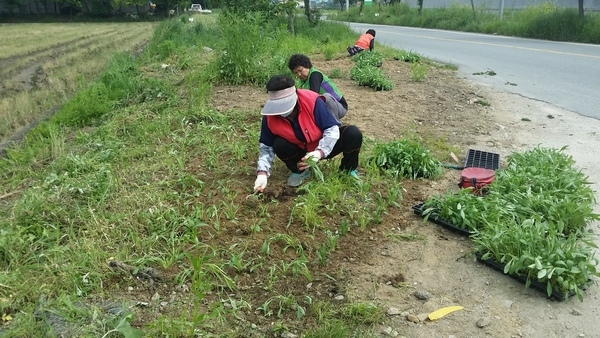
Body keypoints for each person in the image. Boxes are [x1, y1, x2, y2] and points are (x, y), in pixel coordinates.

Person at [253, 75, 363, 192]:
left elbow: (332, 129)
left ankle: (348, 170)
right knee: (279, 144)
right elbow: (266, 147)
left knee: (352, 133)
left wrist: (319, 152)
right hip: (299, 150)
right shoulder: (270, 117)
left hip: (322, 145)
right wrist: (262, 173)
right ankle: (300, 171)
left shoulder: (312, 101)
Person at [288, 54, 348, 122]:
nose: (299, 74)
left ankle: (334, 123)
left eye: (300, 70)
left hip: (339, 107)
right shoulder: (302, 82)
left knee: (326, 96)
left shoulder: (315, 75)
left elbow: (313, 96)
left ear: (307, 66)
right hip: (325, 107)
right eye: (296, 72)